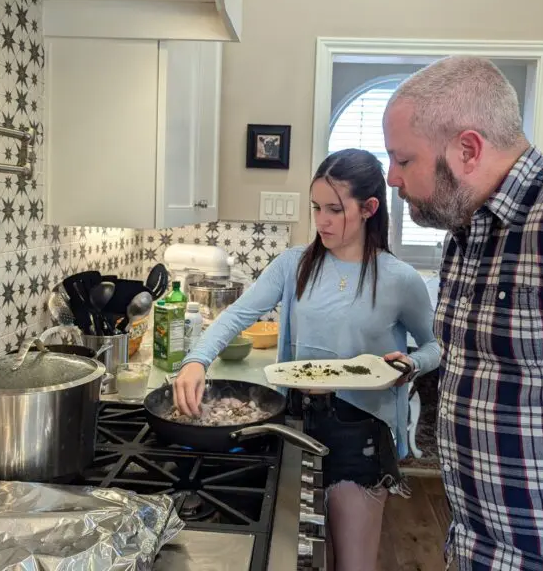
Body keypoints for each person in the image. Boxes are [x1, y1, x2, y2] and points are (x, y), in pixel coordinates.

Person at [173, 148, 440, 571]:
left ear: (370, 208)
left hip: (360, 431)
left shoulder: (399, 279)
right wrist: (196, 360)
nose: (322, 221)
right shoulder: (294, 264)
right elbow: (239, 314)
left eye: (335, 209)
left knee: (353, 563)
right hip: (294, 421)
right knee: (298, 557)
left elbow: (435, 346)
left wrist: (409, 365)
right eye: (316, 208)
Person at [383, 55, 543, 571]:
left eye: (404, 160)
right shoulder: (465, 234)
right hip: (475, 544)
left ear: (467, 149)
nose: (391, 178)